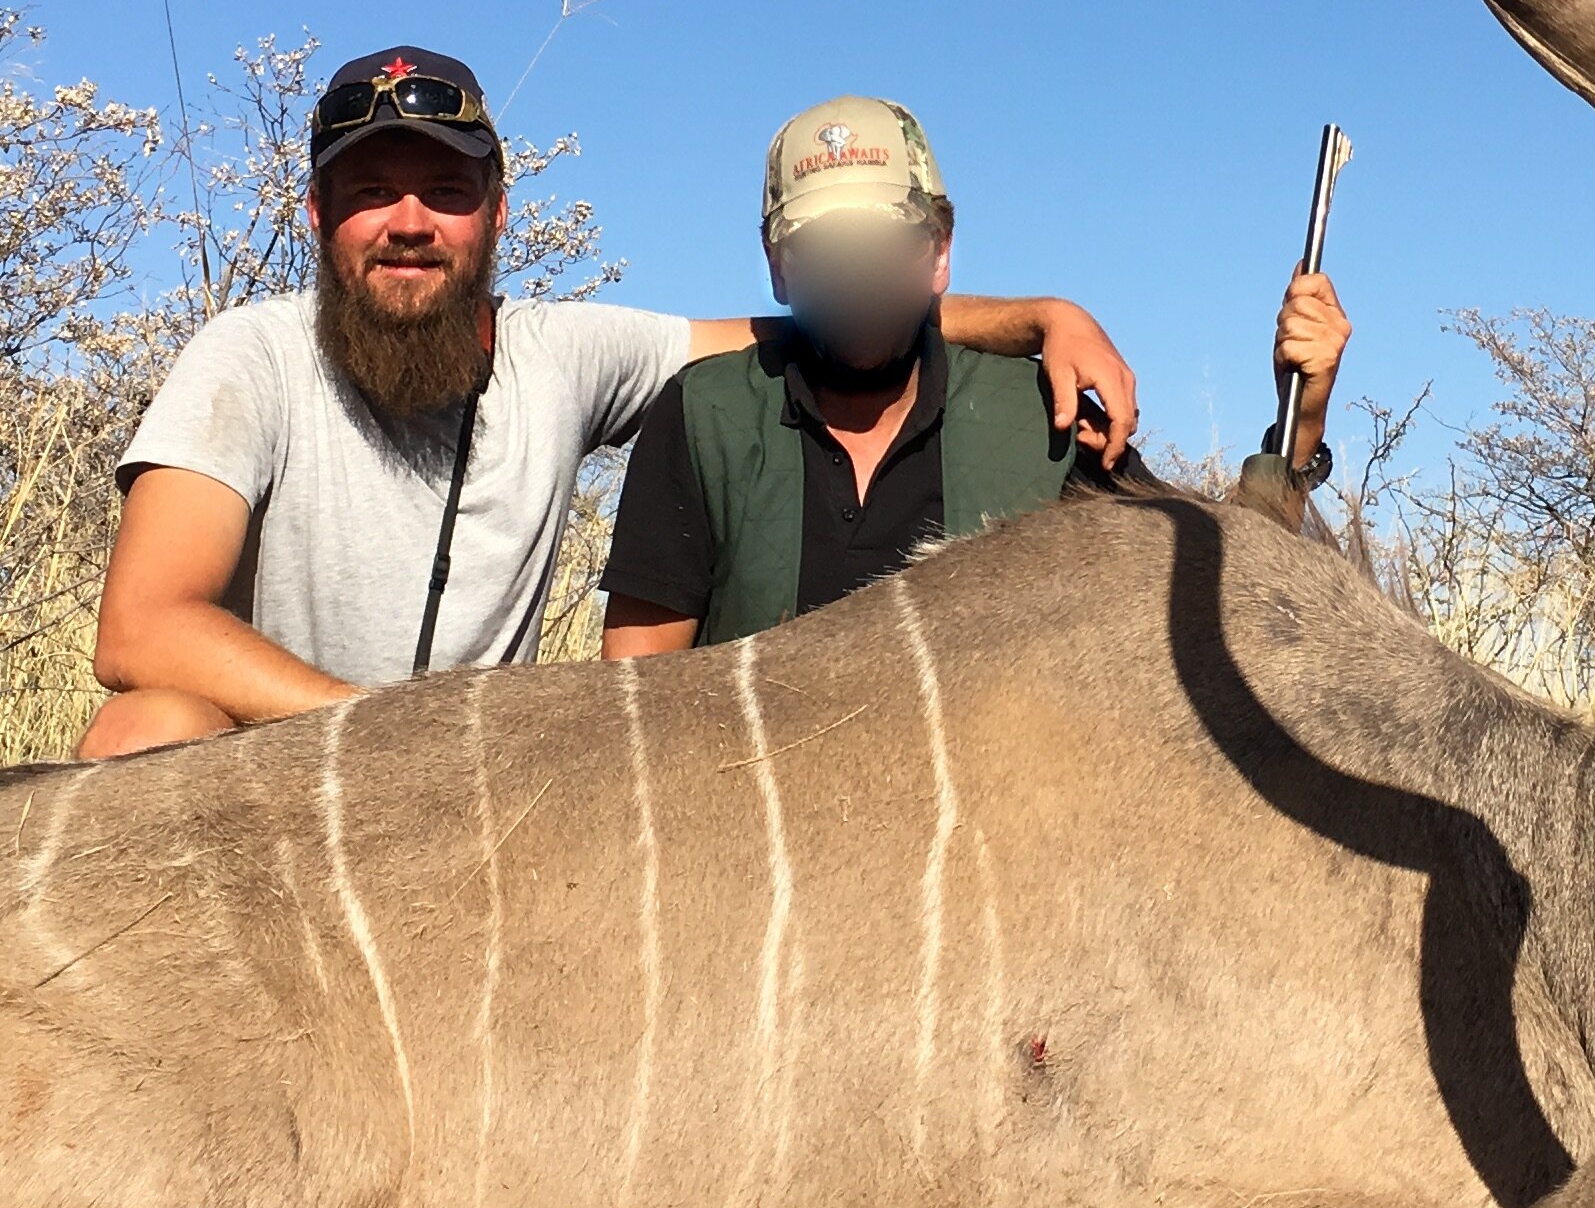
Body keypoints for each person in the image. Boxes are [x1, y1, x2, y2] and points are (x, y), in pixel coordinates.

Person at [83, 49, 1138, 755]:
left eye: (445, 193)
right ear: (318, 213)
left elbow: (818, 323)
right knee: (140, 733)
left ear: (496, 212)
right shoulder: (248, 356)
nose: (410, 223)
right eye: (371, 193)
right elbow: (141, 628)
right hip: (296, 774)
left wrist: (1043, 315)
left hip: (485, 787)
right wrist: (380, 742)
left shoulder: (566, 353)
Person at [599, 96, 1350, 653]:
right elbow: (636, 704)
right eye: (823, 252)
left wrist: (1302, 415)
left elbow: (1227, 587)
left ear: (939, 252)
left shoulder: (1038, 420)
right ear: (776, 267)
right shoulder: (705, 417)